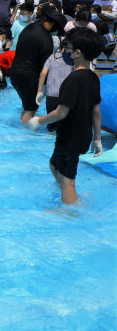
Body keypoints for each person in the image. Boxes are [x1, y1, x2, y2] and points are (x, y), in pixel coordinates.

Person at [27, 28, 103, 204]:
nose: (64, 52)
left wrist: (38, 120)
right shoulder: (93, 77)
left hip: (70, 137)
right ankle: (67, 196)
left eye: (67, 48)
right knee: (54, 164)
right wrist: (97, 138)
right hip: (81, 135)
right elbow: (96, 110)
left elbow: (61, 112)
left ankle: (70, 211)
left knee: (68, 180)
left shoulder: (74, 79)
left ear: (78, 52)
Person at [10, 7, 66, 123]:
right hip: (29, 78)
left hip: (15, 74)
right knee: (30, 109)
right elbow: (44, 67)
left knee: (27, 105)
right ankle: (25, 134)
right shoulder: (46, 40)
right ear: (52, 24)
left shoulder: (30, 27)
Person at [36, 43, 74, 131]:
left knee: (51, 122)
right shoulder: (73, 59)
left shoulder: (52, 57)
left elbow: (43, 73)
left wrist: (40, 91)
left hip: (51, 94)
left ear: (60, 48)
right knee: (65, 122)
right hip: (66, 94)